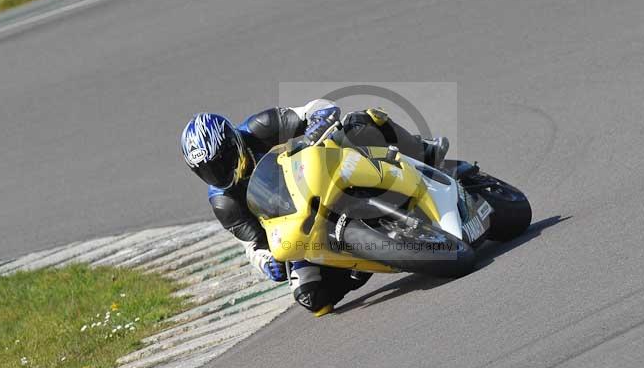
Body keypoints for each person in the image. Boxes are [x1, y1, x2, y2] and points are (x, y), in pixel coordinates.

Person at [180, 100, 449, 315]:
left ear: (233, 143)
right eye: (207, 170)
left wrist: (320, 119)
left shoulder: (258, 128)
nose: (219, 173)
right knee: (312, 299)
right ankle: (366, 259)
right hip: (297, 222)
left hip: (318, 174)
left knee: (357, 122)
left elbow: (313, 109)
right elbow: (253, 245)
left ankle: (423, 151)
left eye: (222, 161)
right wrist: (266, 263)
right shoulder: (224, 202)